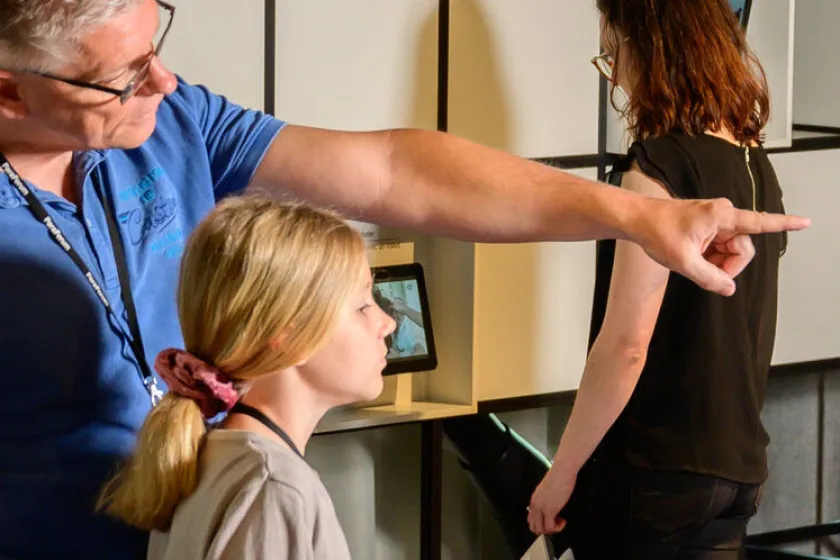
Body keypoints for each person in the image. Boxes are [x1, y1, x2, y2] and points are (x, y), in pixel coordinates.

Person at [0, 0, 807, 557]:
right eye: (125, 74)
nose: (164, 82)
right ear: (11, 90)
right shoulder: (269, 491)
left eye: (156, 46)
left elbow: (396, 172)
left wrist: (638, 215)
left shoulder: (171, 121)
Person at [528, 1, 786, 558]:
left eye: (613, 53)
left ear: (651, 49)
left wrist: (562, 471)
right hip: (737, 474)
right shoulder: (757, 167)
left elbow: (626, 345)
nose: (615, 76)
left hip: (653, 475)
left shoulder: (657, 167)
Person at [96, 196, 394, 559]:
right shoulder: (273, 487)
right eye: (362, 306)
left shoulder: (214, 460)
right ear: (291, 338)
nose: (387, 323)